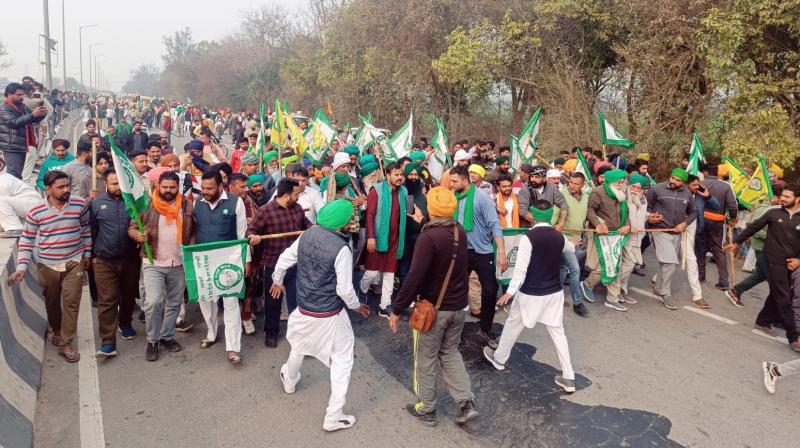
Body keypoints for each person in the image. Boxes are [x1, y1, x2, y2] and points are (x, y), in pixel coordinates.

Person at [272, 199, 370, 431]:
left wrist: (277, 281)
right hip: (329, 314)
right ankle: (333, 416)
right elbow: (345, 290)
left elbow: (284, 259)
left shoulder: (307, 234)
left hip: (305, 308)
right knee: (343, 361)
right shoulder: (342, 248)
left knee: (300, 344)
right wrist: (358, 306)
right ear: (344, 222)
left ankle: (289, 379)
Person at [390, 186, 479, 427]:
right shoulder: (458, 230)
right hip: (458, 307)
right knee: (450, 353)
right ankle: (466, 403)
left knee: (425, 359)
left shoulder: (428, 237)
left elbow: (414, 276)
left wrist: (397, 309)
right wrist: (423, 224)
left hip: (433, 310)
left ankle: (427, 409)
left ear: (431, 208)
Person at [483, 200, 577, 394]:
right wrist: (573, 242)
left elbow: (521, 269)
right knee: (558, 333)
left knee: (513, 325)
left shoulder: (528, 238)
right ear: (551, 215)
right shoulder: (559, 237)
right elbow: (571, 249)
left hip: (530, 293)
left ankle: (500, 358)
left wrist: (510, 292)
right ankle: (569, 376)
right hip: (554, 293)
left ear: (533, 215)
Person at [8, 171, 91, 363]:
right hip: (47, 264)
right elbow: (27, 239)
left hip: (74, 261)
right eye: (60, 187)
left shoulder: (79, 204)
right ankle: (56, 328)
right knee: (52, 302)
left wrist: (87, 254)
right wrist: (21, 267)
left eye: (67, 186)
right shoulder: (36, 211)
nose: (66, 190)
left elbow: (86, 229)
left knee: (71, 302)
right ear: (48, 188)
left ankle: (66, 343)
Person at [130, 171, 194, 361]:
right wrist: (137, 236)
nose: (168, 190)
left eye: (172, 187)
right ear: (158, 186)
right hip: (153, 262)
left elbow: (193, 231)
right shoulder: (147, 204)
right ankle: (152, 340)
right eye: (164, 187)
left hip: (179, 263)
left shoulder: (187, 204)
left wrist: (190, 247)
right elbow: (132, 227)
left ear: (178, 187)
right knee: (154, 302)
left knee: (174, 303)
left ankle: (167, 336)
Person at [727, 184, 800, 351]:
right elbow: (753, 227)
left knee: (778, 292)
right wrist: (736, 242)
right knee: (784, 296)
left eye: (787, 197)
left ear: (797, 199)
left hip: (791, 264)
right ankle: (794, 337)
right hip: (771, 259)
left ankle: (765, 320)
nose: (783, 199)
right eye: (783, 195)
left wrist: (798, 261)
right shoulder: (774, 212)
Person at [246, 178, 312, 348]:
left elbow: (306, 224)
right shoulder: (265, 211)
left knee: (296, 301)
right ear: (286, 195)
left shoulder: (297, 208)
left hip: (296, 263)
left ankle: (299, 336)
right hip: (273, 264)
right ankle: (271, 333)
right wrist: (253, 237)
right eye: (296, 194)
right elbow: (251, 231)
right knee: (273, 301)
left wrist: (313, 228)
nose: (298, 197)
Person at [193, 170, 250, 365]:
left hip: (229, 262)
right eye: (203, 187)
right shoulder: (195, 203)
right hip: (204, 262)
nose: (205, 192)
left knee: (231, 304)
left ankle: (233, 347)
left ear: (220, 186)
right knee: (206, 300)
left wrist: (246, 261)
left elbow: (242, 234)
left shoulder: (236, 202)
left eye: (209, 188)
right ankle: (211, 333)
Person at [450, 165, 508, 348]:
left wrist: (502, 253)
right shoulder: (454, 197)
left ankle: (486, 327)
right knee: (456, 291)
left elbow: (495, 225)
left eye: (454, 181)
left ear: (465, 181)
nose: (451, 184)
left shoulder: (482, 198)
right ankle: (453, 332)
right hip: (461, 251)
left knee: (490, 291)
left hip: (483, 252)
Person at [90, 169, 141, 356]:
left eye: (120, 184)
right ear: (106, 184)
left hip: (130, 260)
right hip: (104, 261)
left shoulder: (135, 203)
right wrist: (92, 256)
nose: (117, 187)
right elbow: (92, 231)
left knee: (128, 296)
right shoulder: (96, 204)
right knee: (107, 300)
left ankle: (125, 322)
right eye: (113, 184)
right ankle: (108, 342)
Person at [581, 169, 633, 312]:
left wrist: (627, 225)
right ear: (611, 182)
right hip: (601, 235)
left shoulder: (621, 194)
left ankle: (612, 298)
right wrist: (598, 223)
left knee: (614, 264)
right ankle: (587, 284)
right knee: (604, 266)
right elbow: (589, 210)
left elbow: (626, 212)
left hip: (616, 235)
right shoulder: (597, 192)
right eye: (620, 182)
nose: (623, 184)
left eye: (624, 181)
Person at [361, 163, 408, 318]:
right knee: (372, 272)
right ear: (387, 175)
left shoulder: (404, 191)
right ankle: (361, 290)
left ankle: (384, 305)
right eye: (396, 174)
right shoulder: (377, 190)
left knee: (389, 272)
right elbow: (370, 215)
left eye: (401, 174)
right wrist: (371, 237)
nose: (399, 177)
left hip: (396, 239)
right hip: (379, 238)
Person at [646, 168, 697, 310]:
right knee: (671, 263)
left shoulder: (688, 194)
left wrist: (684, 224)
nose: (674, 181)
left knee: (666, 263)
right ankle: (665, 293)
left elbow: (694, 212)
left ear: (684, 183)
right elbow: (647, 206)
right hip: (660, 230)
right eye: (673, 178)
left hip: (677, 233)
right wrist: (650, 217)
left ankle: (658, 287)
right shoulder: (657, 189)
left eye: (678, 180)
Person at [725, 188, 780, 307]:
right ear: (775, 197)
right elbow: (755, 229)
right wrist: (774, 238)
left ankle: (736, 291)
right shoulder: (766, 210)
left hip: (767, 247)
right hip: (761, 247)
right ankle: (776, 310)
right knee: (774, 281)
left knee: (760, 275)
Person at [696, 162, 738, 290]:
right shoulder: (726, 186)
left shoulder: (699, 184)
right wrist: (733, 218)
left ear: (706, 172)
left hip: (701, 220)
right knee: (719, 250)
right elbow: (733, 205)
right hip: (718, 222)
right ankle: (724, 282)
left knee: (700, 249)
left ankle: (700, 276)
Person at [560, 172, 591, 316]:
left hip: (578, 240)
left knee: (563, 268)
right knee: (575, 270)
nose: (571, 185)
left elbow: (591, 215)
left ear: (582, 185)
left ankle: (555, 296)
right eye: (570, 182)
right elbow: (554, 222)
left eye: (576, 183)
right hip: (564, 239)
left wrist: (602, 225)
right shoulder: (561, 195)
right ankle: (578, 303)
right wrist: (565, 240)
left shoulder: (586, 198)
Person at [0, 82, 47, 179]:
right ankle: (11, 193)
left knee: (18, 173)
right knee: (14, 174)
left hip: (21, 144)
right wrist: (32, 115)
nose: (22, 97)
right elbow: (13, 123)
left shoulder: (22, 106)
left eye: (23, 94)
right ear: (9, 94)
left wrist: (41, 114)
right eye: (19, 95)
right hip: (11, 145)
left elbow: (31, 119)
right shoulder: (3, 107)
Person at [518, 165, 569, 230]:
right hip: (529, 228)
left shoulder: (552, 188)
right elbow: (523, 211)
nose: (533, 179)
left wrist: (561, 223)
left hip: (547, 226)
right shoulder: (525, 190)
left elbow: (563, 204)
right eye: (532, 176)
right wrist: (542, 223)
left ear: (544, 179)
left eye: (537, 177)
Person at [0, 159, 42, 238]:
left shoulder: (2, 181)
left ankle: (14, 228)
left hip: (34, 207)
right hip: (28, 207)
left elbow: (3, 207)